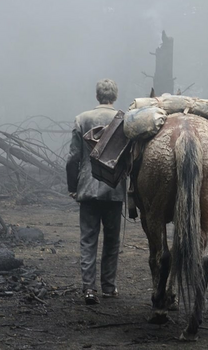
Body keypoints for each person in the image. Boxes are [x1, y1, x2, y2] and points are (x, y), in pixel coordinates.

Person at [66, 78, 127, 305]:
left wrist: (73, 187)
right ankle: (109, 287)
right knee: (112, 241)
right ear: (115, 96)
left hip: (88, 189)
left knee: (88, 240)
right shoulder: (124, 120)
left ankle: (89, 289)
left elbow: (73, 158)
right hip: (114, 189)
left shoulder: (81, 119)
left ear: (97, 96)